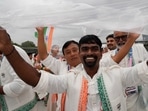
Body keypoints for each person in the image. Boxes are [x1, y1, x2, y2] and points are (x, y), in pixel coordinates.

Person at [1, 27, 148, 111]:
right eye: (85, 49)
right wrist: (9, 50)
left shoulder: (117, 74)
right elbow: (35, 79)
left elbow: (143, 69)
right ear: (81, 53)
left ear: (101, 53)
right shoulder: (70, 78)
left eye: (94, 49)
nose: (89, 52)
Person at [113, 31, 148, 111]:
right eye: (117, 38)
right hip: (121, 96)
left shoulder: (140, 48)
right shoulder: (112, 55)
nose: (120, 40)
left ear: (129, 36)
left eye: (124, 37)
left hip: (139, 95)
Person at [0, 45, 39, 110]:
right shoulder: (4, 53)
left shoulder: (14, 52)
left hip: (22, 106)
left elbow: (22, 84)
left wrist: (1, 90)